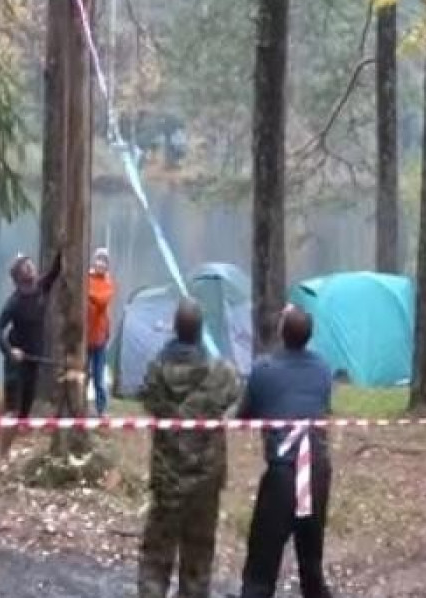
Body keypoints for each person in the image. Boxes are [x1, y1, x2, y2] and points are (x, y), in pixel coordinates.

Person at [136, 298, 241, 598]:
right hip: (205, 479)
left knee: (156, 554)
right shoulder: (219, 373)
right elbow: (234, 390)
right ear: (199, 331)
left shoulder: (157, 371)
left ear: (175, 329)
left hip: (168, 477)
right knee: (199, 554)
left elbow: (145, 397)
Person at [237, 306, 334, 598]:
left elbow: (244, 416)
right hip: (317, 470)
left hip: (285, 473)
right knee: (311, 557)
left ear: (281, 332)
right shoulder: (323, 370)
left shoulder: (264, 369)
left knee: (262, 559)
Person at [0, 251, 62, 421]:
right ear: (18, 277)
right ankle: (3, 448)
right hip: (16, 364)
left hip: (33, 359)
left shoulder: (42, 287)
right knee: (12, 413)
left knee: (24, 414)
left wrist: (62, 247)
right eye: (25, 266)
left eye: (30, 264)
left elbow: (56, 270)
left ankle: (7, 446)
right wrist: (10, 351)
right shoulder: (14, 302)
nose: (30, 267)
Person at [86, 247, 116, 416]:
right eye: (99, 260)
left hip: (100, 337)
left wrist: (87, 293)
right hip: (84, 336)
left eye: (104, 261)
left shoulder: (108, 283)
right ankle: (79, 407)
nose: (101, 264)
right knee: (83, 374)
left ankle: (101, 409)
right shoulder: (86, 279)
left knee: (99, 376)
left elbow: (103, 301)